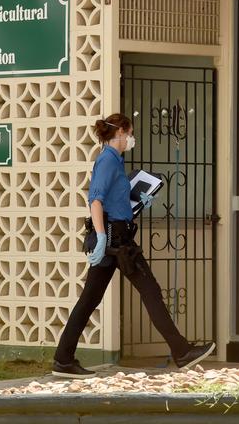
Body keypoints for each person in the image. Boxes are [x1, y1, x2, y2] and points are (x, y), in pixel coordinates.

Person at [52, 113, 215, 379]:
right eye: (130, 133)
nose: (131, 138)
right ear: (122, 132)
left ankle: (63, 359)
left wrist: (136, 201)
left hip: (119, 238)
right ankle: (182, 352)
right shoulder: (107, 160)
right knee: (149, 291)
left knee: (91, 299)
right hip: (116, 242)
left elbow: (115, 199)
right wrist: (102, 238)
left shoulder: (115, 160)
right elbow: (95, 200)